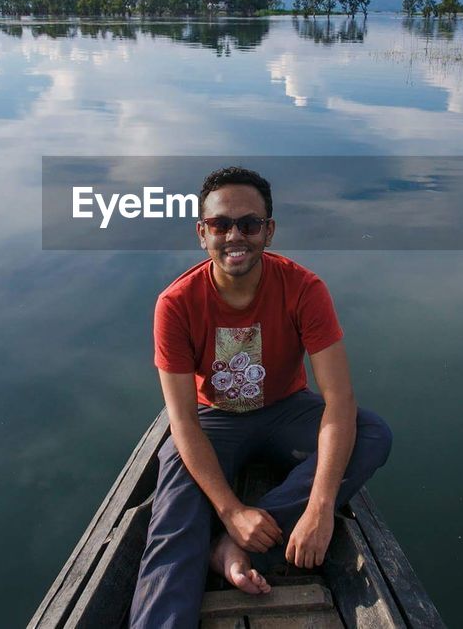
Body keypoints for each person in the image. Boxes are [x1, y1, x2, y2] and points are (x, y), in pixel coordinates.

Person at [130, 166, 393, 628]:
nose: (236, 236)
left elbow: (339, 401)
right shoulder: (175, 304)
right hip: (214, 419)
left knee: (370, 433)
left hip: (286, 411)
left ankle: (235, 544)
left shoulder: (304, 289)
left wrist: (319, 507)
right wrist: (230, 510)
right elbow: (184, 422)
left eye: (249, 224)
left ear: (268, 231)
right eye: (221, 225)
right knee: (173, 516)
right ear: (201, 233)